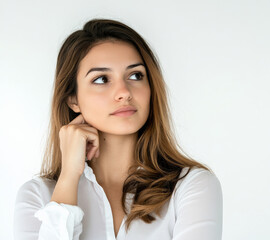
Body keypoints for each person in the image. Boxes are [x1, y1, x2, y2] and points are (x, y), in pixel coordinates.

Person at [13, 18, 223, 240]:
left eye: (135, 75)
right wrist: (68, 179)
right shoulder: (38, 197)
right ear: (73, 98)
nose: (124, 92)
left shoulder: (191, 186)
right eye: (102, 79)